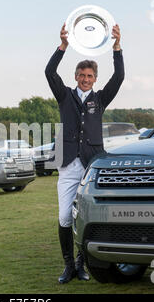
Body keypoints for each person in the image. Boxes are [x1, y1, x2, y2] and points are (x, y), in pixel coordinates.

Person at [45, 23, 124, 284]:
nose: (85, 79)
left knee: (86, 218)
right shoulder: (64, 96)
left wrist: (116, 47)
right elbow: (49, 71)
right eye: (81, 75)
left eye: (89, 76)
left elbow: (119, 77)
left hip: (92, 165)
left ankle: (81, 264)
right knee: (65, 217)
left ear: (94, 79)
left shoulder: (100, 99)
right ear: (76, 76)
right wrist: (63, 46)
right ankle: (68, 266)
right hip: (67, 165)